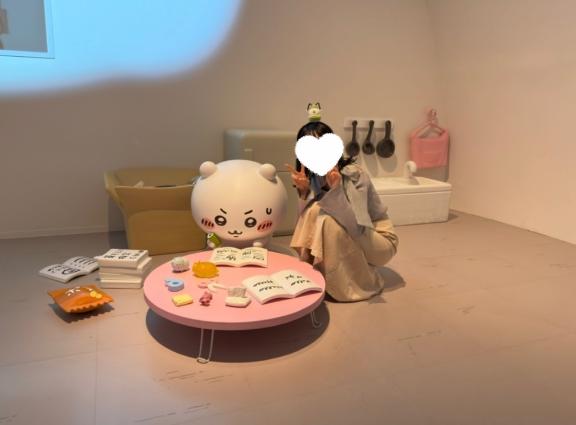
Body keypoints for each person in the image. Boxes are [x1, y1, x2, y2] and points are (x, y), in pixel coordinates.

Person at [286, 120, 399, 302]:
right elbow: (304, 222)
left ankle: (351, 284)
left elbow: (356, 226)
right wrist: (303, 192)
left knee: (325, 218)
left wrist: (336, 190)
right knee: (314, 211)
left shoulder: (353, 174)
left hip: (378, 239)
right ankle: (314, 273)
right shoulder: (314, 176)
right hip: (357, 234)